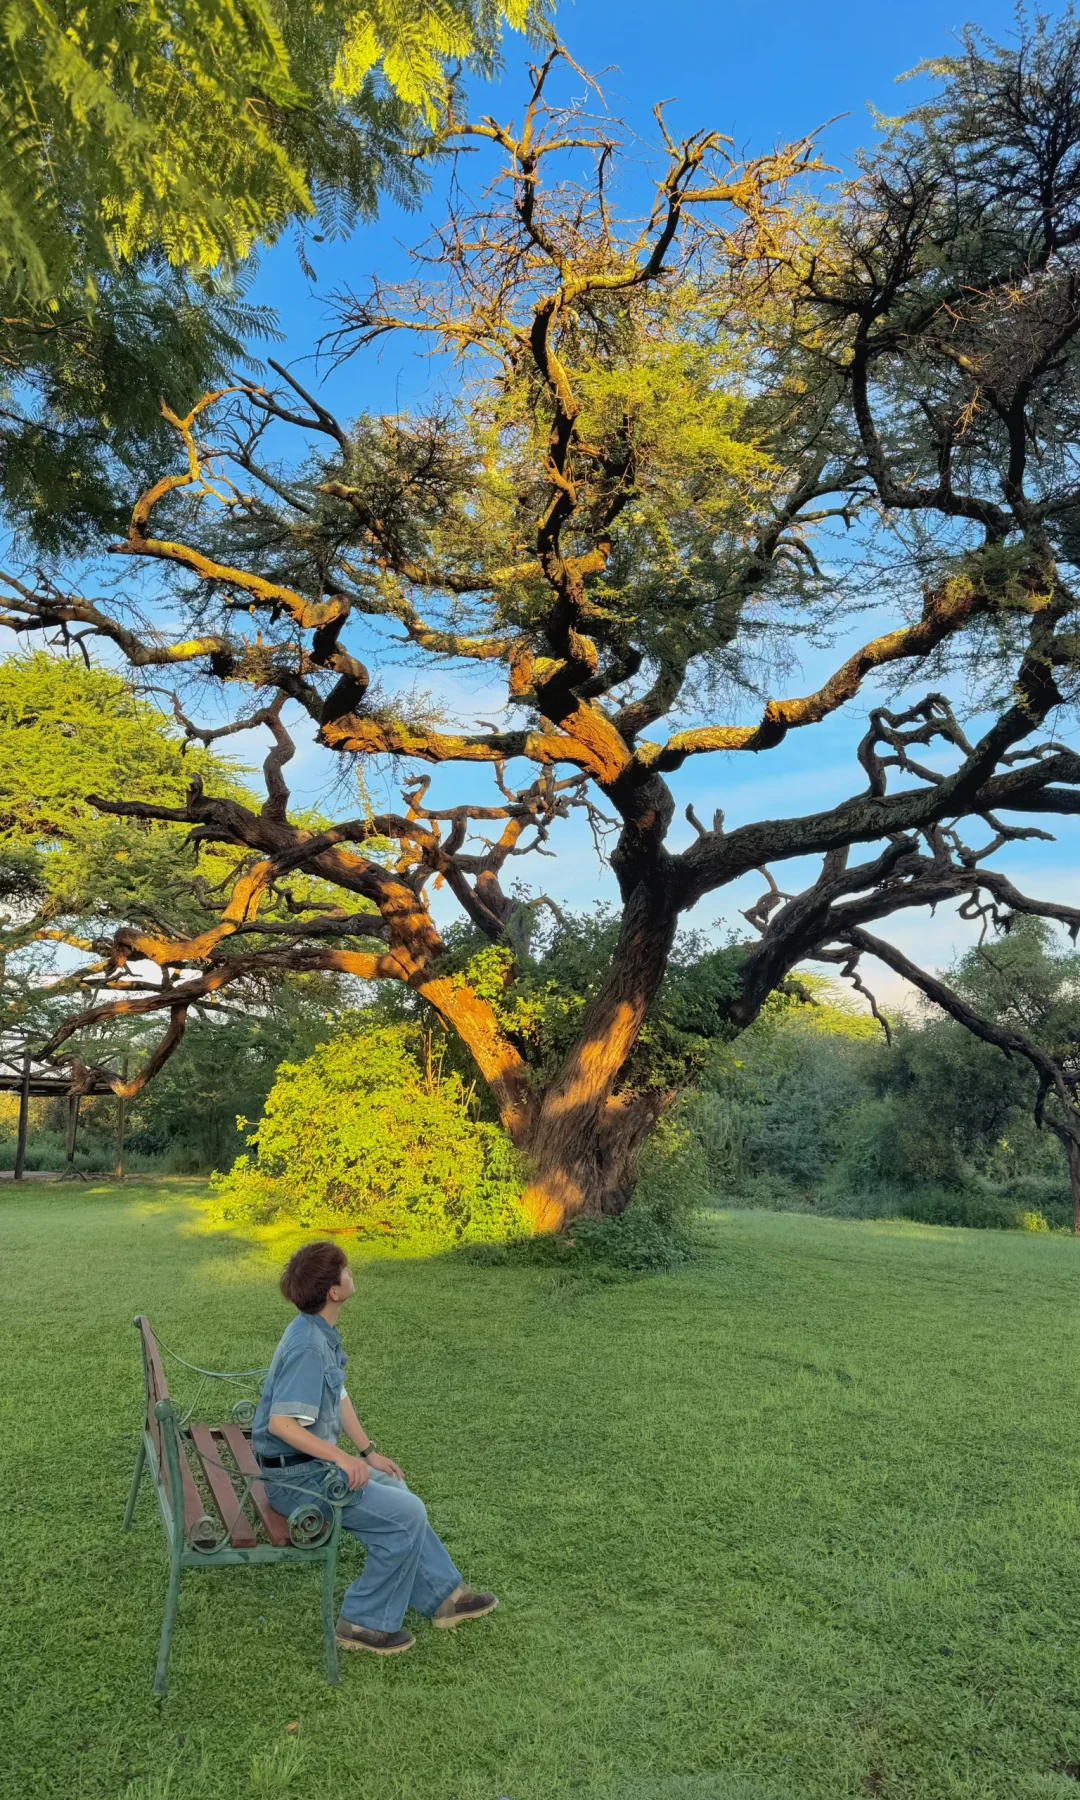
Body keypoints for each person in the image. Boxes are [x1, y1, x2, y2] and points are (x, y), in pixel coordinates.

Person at [252, 1239, 498, 1656]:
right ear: (333, 1291)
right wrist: (342, 1458)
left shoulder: (318, 1331)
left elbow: (339, 1395)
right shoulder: (308, 1347)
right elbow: (281, 1423)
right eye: (345, 1270)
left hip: (309, 1468)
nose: (351, 1274)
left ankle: (444, 1597)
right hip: (297, 1482)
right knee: (407, 1513)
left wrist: (367, 1452)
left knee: (396, 1486)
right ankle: (363, 1623)